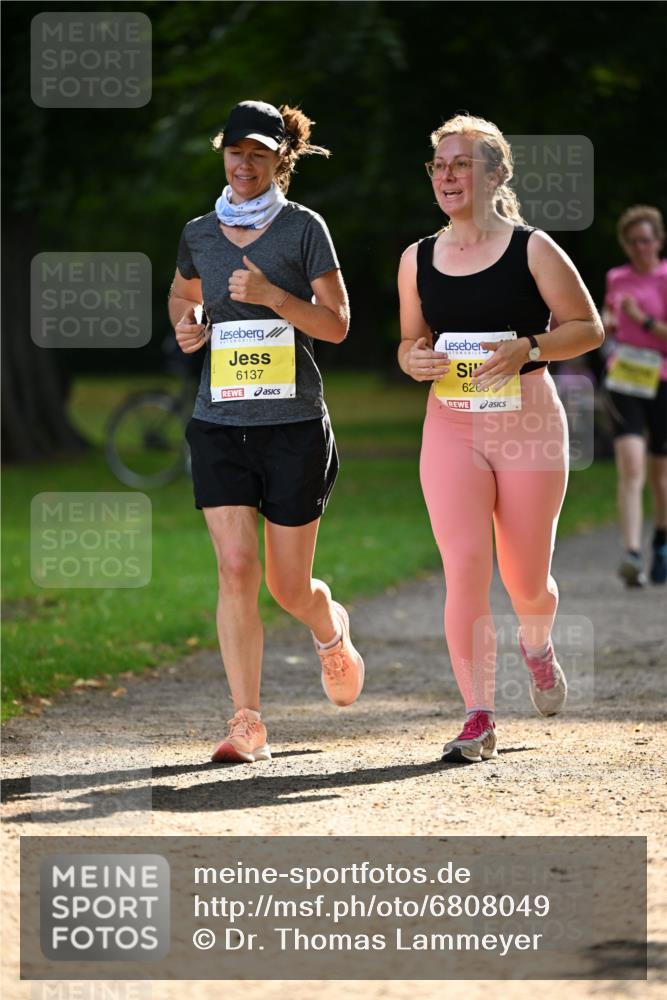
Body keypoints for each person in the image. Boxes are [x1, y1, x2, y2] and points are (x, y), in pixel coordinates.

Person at [397, 113, 604, 764]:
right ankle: (477, 715)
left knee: (526, 583)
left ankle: (536, 645)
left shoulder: (533, 249)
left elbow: (587, 327)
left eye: (461, 164)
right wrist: (413, 361)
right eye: (439, 165)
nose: (448, 176)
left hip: (527, 424)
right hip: (450, 424)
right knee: (463, 567)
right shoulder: (417, 257)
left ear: (495, 174)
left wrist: (530, 347)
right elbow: (408, 341)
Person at [168, 100, 364, 764]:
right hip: (219, 422)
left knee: (287, 586)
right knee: (234, 567)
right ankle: (246, 721)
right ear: (221, 154)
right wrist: (188, 319)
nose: (244, 164)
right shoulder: (199, 232)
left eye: (258, 153)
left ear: (281, 156)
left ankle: (329, 630)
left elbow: (336, 323)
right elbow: (180, 293)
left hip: (293, 427)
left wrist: (275, 298)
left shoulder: (303, 228)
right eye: (234, 151)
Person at [601, 205, 667, 587]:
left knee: (661, 475)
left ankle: (660, 539)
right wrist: (609, 323)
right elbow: (609, 324)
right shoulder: (617, 277)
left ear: (658, 240)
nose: (641, 248)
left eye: (647, 240)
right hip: (626, 376)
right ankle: (631, 553)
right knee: (631, 464)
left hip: (662, 379)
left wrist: (642, 319)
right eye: (634, 242)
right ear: (626, 245)